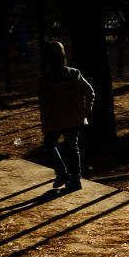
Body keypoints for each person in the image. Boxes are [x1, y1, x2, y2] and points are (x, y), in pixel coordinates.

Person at [38, 40, 95, 190]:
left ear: (47, 59)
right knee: (72, 146)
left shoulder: (45, 80)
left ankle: (62, 173)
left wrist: (45, 124)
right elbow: (90, 91)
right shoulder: (74, 73)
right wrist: (88, 108)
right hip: (74, 118)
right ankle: (76, 179)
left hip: (56, 120)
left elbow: (44, 106)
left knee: (49, 144)